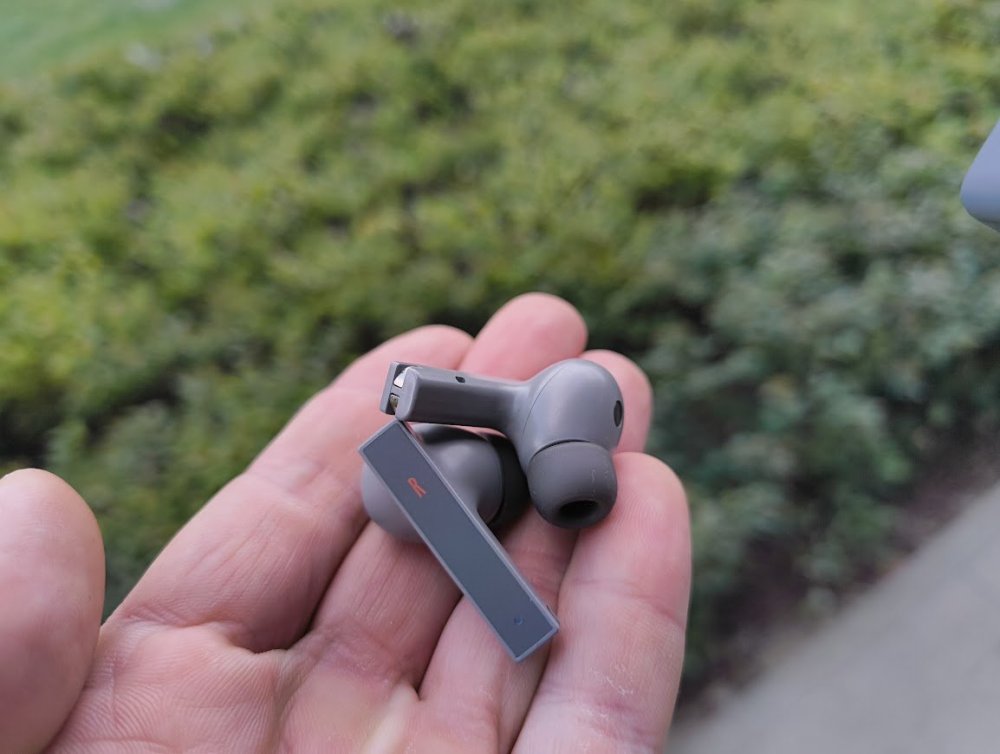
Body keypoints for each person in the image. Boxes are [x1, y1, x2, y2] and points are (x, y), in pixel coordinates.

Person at [0, 293, 691, 752]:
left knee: (449, 479)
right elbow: (410, 398)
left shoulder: (513, 419)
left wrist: (414, 396)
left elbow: (412, 392)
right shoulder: (495, 435)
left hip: (443, 475)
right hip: (439, 476)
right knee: (445, 481)